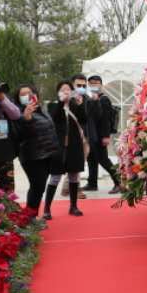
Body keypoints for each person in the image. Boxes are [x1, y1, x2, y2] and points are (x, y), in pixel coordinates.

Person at [45, 80, 90, 219]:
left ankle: (73, 206)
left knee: (73, 175)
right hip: (58, 146)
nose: (65, 91)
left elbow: (84, 119)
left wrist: (81, 104)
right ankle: (47, 209)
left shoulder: (75, 105)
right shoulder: (52, 105)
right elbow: (54, 117)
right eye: (62, 89)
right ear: (58, 92)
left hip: (74, 145)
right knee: (55, 177)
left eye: (68, 89)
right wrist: (61, 102)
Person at [13, 83, 59, 216]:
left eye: (29, 93)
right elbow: (22, 136)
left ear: (35, 95)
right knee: (37, 186)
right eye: (22, 95)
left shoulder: (41, 110)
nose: (26, 96)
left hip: (46, 154)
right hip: (32, 156)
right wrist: (26, 119)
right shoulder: (17, 113)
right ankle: (30, 216)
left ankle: (32, 215)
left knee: (39, 187)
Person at [82, 74, 122, 192]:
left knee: (103, 159)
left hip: (100, 135)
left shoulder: (104, 99)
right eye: (91, 83)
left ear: (101, 85)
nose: (94, 85)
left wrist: (106, 136)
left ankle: (118, 182)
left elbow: (106, 120)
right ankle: (92, 183)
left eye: (96, 83)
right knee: (91, 159)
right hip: (91, 134)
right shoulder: (90, 98)